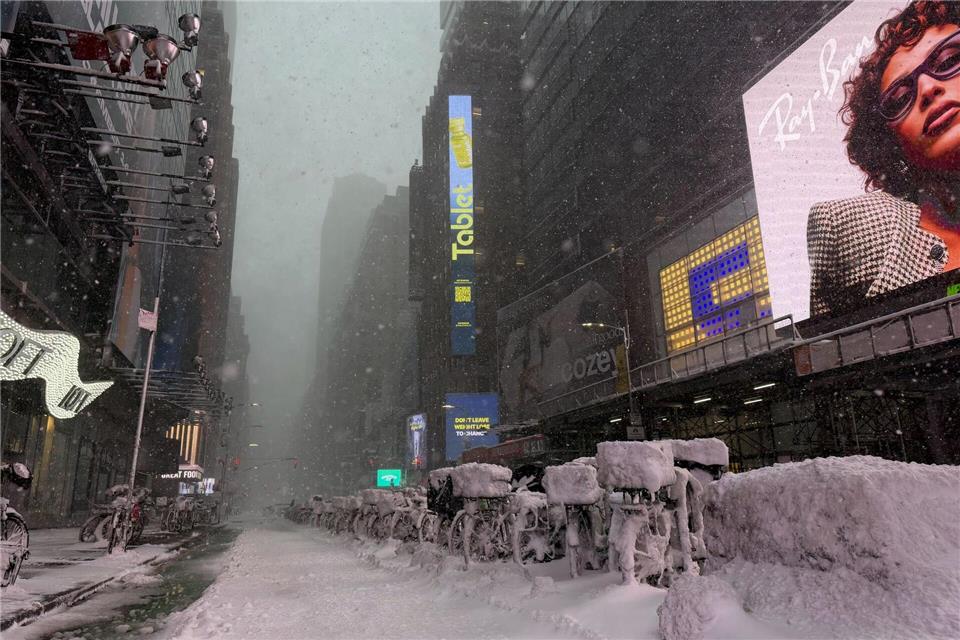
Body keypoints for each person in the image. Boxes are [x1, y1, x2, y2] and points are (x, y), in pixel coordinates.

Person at [807, 1, 960, 317]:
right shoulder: (851, 233)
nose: (928, 88)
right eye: (901, 98)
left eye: (949, 60)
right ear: (890, 141)